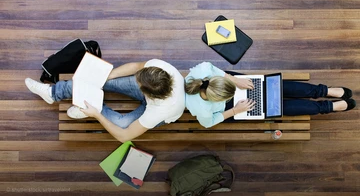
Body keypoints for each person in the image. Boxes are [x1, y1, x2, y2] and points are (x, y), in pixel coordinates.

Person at [25, 59, 185, 142]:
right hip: (157, 95)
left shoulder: (158, 112)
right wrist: (107, 76)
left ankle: (91, 109)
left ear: (146, 92)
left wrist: (97, 115)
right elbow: (136, 66)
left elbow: (125, 136)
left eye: (138, 83)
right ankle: (53, 93)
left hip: (161, 113)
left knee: (122, 124)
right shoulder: (160, 69)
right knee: (98, 80)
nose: (135, 80)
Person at [185, 62, 356, 128]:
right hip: (233, 108)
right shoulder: (201, 110)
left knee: (277, 88)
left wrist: (235, 81)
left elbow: (212, 68)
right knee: (278, 107)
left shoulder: (201, 72)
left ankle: (324, 91)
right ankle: (325, 107)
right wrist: (235, 111)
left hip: (233, 83)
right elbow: (208, 123)